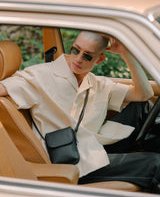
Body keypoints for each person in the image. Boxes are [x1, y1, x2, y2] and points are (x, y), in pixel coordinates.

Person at [0, 31, 160, 193]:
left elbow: (144, 94)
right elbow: (4, 88)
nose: (78, 59)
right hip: (72, 161)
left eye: (87, 56)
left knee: (141, 105)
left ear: (100, 59)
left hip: (92, 147)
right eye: (75, 50)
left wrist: (126, 53)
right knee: (155, 162)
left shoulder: (97, 83)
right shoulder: (40, 75)